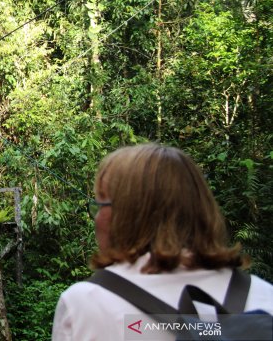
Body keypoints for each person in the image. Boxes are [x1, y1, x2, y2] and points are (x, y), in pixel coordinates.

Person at [52, 143, 273, 340]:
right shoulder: (264, 296)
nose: (97, 218)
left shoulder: (87, 304)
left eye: (99, 206)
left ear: (127, 215)